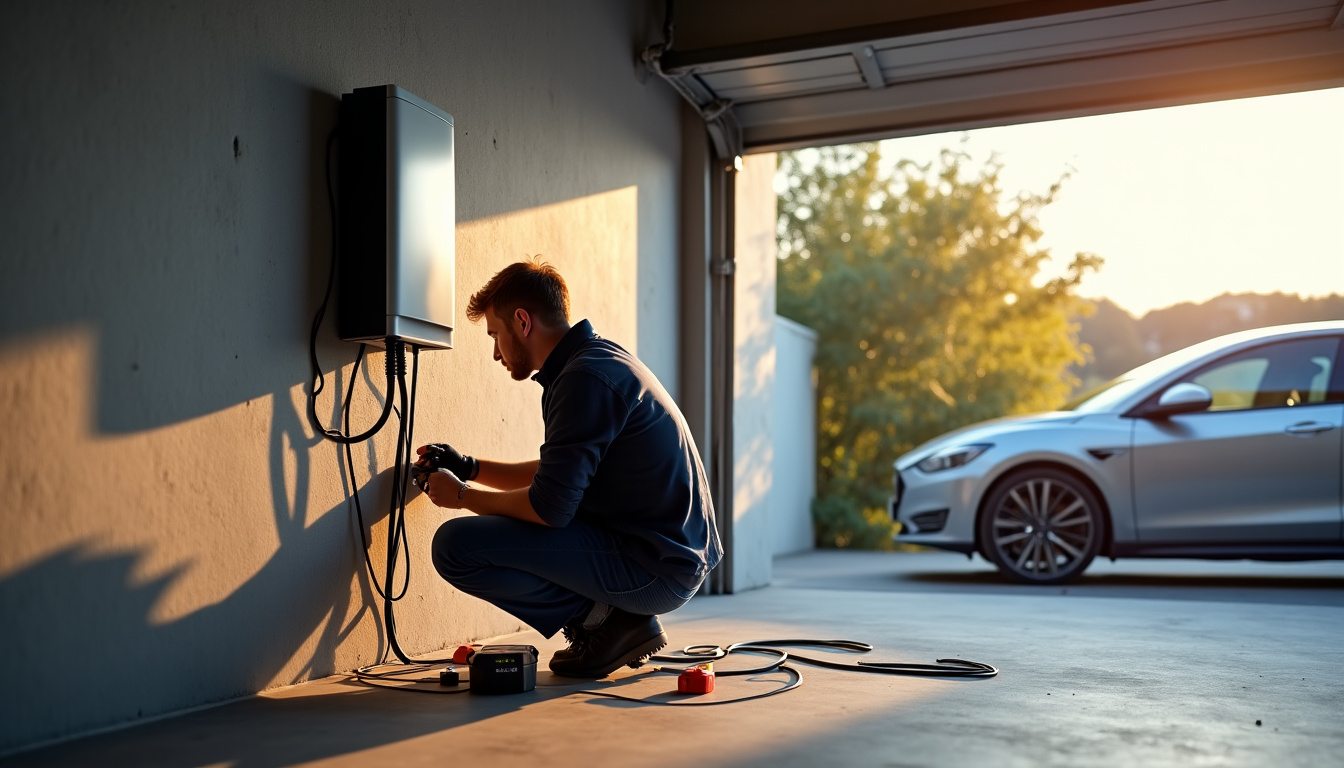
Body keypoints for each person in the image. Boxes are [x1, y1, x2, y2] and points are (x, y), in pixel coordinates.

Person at [418, 258, 722, 678]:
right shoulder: (595, 361)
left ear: (522, 321)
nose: (494, 353)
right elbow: (557, 473)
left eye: (494, 335)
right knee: (487, 531)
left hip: (655, 568)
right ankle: (614, 619)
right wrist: (469, 467)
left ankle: (606, 622)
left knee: (455, 547)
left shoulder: (584, 379)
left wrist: (462, 497)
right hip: (666, 555)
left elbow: (549, 507)